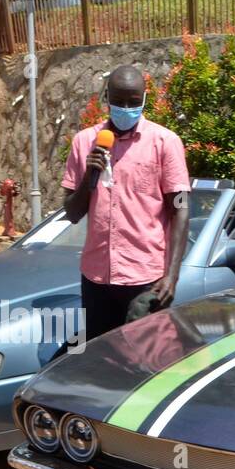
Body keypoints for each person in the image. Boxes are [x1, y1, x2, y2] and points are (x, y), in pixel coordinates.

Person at [62, 64, 191, 341]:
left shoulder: (165, 142)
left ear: (144, 100)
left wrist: (172, 276)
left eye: (134, 102)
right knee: (102, 363)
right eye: (118, 101)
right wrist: (89, 176)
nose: (125, 108)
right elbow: (72, 213)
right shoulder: (85, 142)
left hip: (146, 279)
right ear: (106, 98)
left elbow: (180, 209)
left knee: (145, 363)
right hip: (97, 278)